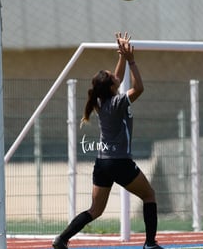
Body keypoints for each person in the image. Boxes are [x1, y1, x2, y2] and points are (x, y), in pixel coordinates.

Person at [52, 32, 163, 249]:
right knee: (149, 195)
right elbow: (139, 88)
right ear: (112, 87)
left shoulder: (100, 100)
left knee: (95, 210)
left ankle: (61, 239)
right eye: (110, 75)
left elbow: (118, 79)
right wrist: (131, 59)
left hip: (102, 162)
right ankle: (150, 244)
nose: (114, 75)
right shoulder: (118, 101)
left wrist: (121, 55)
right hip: (119, 161)